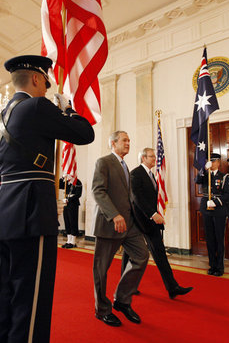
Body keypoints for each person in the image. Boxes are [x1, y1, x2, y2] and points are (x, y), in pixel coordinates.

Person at [0, 55, 94, 343]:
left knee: (7, 292)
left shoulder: (0, 118)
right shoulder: (36, 106)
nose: (47, 88)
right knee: (32, 297)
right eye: (46, 82)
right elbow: (85, 133)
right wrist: (68, 109)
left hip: (6, 209)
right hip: (32, 211)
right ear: (35, 78)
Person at [92, 131, 149, 327]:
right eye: (124, 140)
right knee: (101, 270)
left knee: (141, 256)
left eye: (129, 140)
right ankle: (102, 309)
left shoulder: (126, 166)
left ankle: (122, 300)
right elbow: (98, 191)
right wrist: (114, 214)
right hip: (110, 223)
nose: (128, 143)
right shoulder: (104, 162)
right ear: (113, 143)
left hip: (130, 224)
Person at [122, 148, 193, 299]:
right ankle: (127, 286)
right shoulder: (135, 174)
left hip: (149, 222)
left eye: (155, 156)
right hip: (139, 221)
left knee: (159, 253)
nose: (155, 158)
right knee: (129, 254)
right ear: (143, 158)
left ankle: (172, 288)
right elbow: (136, 198)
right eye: (152, 156)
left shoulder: (152, 175)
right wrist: (153, 214)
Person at [195, 153, 229, 277]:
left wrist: (216, 202)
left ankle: (220, 266)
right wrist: (204, 169)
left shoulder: (225, 177)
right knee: (209, 238)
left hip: (219, 210)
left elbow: (228, 194)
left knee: (218, 238)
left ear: (218, 162)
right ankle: (212, 265)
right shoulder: (205, 175)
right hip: (206, 208)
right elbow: (197, 180)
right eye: (209, 161)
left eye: (213, 161)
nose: (212, 163)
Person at [59, 177, 82, 248]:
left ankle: (73, 241)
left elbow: (78, 194)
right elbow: (60, 186)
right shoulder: (66, 182)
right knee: (67, 221)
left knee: (73, 222)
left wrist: (69, 199)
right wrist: (62, 177)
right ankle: (68, 240)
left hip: (73, 204)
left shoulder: (77, 182)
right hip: (66, 204)